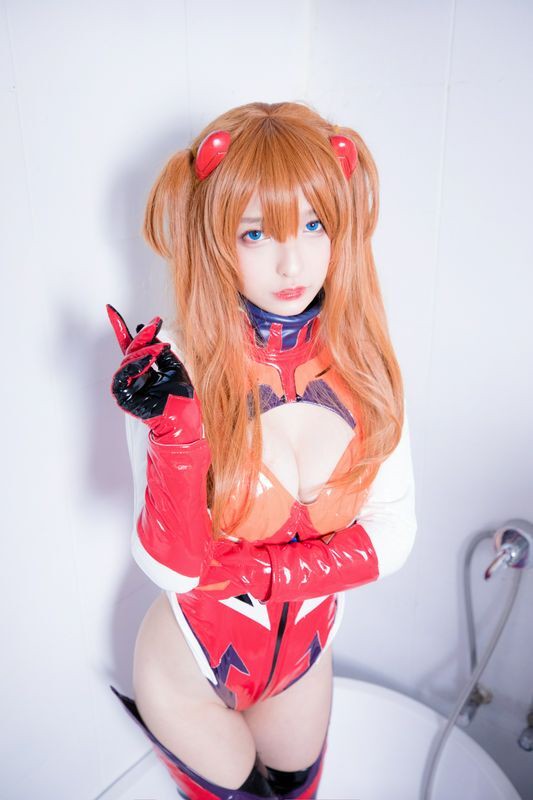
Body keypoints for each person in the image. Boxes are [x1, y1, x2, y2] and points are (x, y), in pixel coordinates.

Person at [106, 101, 417, 800]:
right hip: (188, 670)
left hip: (303, 661)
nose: (292, 261)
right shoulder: (176, 366)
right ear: (217, 238)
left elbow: (395, 535)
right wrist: (177, 434)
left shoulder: (367, 361)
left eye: (314, 224)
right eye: (256, 233)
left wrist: (261, 572)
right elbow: (174, 567)